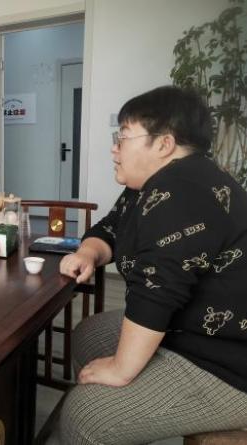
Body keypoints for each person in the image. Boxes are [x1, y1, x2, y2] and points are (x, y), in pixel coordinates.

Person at [58, 86, 247, 444]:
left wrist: (121, 369)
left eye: (123, 137)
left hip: (226, 359)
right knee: (88, 335)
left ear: (164, 144)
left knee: (86, 416)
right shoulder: (150, 185)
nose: (114, 148)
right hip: (185, 329)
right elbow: (110, 228)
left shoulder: (184, 190)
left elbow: (157, 290)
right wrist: (89, 253)